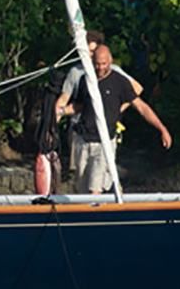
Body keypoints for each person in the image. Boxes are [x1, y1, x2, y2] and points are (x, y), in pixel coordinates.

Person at [67, 45, 172, 194]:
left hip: (104, 142)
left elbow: (141, 107)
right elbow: (79, 106)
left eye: (104, 64)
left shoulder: (119, 82)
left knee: (95, 189)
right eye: (97, 64)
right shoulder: (86, 80)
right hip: (84, 141)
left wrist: (162, 129)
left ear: (110, 61)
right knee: (82, 190)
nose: (100, 68)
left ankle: (98, 210)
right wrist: (59, 112)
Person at [54, 30, 142, 179]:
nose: (90, 56)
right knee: (80, 179)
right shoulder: (76, 72)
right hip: (80, 131)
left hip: (104, 133)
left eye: (93, 51)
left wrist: (117, 109)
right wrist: (53, 122)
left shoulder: (112, 70)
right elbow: (64, 99)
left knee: (100, 178)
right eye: (86, 52)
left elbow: (137, 89)